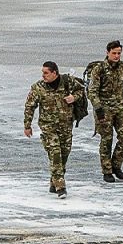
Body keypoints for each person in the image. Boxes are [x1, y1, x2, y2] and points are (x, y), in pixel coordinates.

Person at [24, 62, 85, 198]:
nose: (43, 75)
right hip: (48, 127)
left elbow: (81, 90)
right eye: (42, 72)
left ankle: (54, 181)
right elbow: (29, 106)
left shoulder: (68, 82)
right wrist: (27, 125)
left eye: (46, 73)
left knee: (64, 154)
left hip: (66, 126)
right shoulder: (38, 87)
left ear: (54, 73)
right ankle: (60, 187)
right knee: (55, 153)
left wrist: (74, 97)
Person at [87, 40, 123, 182]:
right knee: (107, 139)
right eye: (114, 53)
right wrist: (98, 109)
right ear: (107, 52)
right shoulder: (99, 69)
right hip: (104, 108)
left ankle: (116, 165)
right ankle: (107, 170)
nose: (117, 56)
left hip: (119, 107)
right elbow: (92, 91)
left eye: (119, 53)